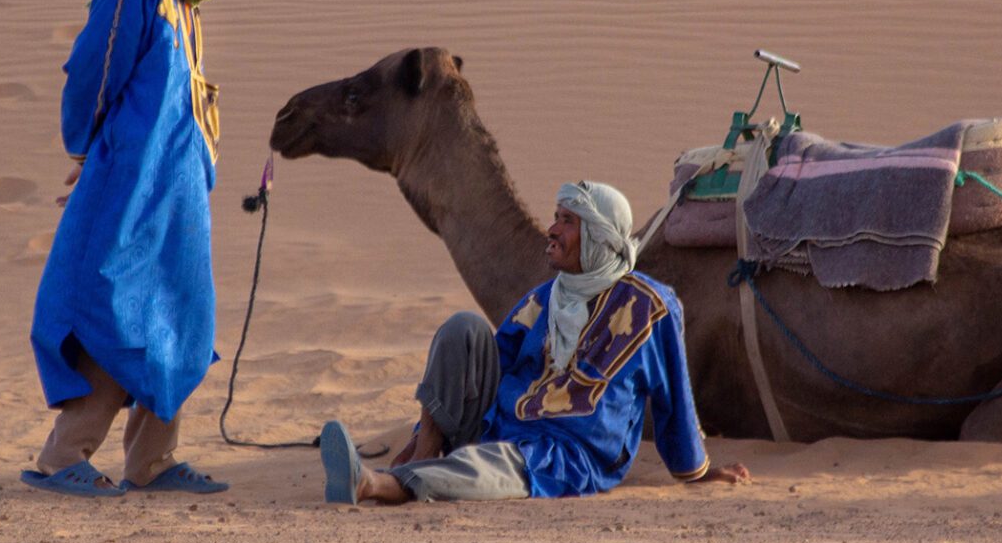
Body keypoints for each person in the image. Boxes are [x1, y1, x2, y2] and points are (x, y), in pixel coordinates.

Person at [22, 0, 262, 497]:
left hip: (177, 193)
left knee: (180, 316)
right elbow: (91, 73)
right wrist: (87, 152)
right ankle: (61, 457)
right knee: (114, 311)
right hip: (128, 184)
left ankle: (152, 463)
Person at [319, 180, 751, 504]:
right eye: (555, 217)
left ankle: (377, 484)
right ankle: (425, 453)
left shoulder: (650, 306)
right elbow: (495, 357)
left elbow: (673, 393)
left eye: (567, 221)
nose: (551, 230)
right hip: (501, 425)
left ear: (600, 236)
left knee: (489, 467)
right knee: (464, 329)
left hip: (568, 452)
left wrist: (696, 471)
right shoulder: (546, 296)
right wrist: (423, 430)